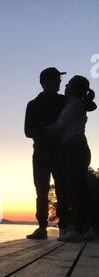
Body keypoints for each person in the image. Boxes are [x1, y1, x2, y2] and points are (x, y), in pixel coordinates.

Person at [47, 75, 97, 242]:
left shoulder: (75, 103)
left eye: (68, 85)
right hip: (74, 147)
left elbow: (61, 125)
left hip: (75, 146)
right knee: (79, 187)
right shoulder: (72, 102)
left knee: (76, 188)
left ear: (74, 88)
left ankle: (78, 229)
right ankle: (90, 228)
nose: (65, 87)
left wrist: (45, 130)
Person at [25, 67, 67, 240]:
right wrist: (46, 130)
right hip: (41, 153)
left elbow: (87, 105)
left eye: (59, 78)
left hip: (60, 152)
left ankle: (65, 227)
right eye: (56, 78)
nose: (59, 81)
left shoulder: (65, 101)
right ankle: (42, 228)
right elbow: (28, 131)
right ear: (44, 82)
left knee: (63, 189)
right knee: (41, 190)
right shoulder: (33, 105)